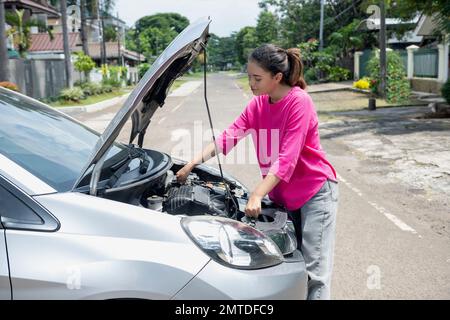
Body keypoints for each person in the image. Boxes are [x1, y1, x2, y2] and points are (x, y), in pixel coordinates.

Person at [176, 44, 338, 300]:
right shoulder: (258, 105)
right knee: (289, 265)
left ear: (277, 77)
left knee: (314, 273)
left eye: (257, 78)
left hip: (314, 192)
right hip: (283, 195)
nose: (251, 83)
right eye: (249, 76)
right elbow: (229, 136)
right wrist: (192, 163)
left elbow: (288, 158)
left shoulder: (299, 102)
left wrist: (256, 194)